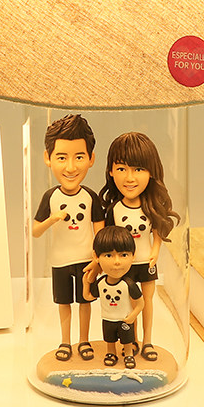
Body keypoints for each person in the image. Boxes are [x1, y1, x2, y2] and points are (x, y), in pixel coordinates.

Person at [97, 132, 179, 361]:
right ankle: (129, 341)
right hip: (123, 265)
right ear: (111, 171)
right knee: (126, 302)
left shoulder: (151, 206)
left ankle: (148, 340)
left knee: (148, 301)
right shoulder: (114, 210)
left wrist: (155, 250)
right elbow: (108, 240)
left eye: (139, 169)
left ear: (151, 172)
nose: (130, 178)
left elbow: (158, 230)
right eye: (122, 169)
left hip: (146, 262)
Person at [33, 114, 104, 362]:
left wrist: (98, 261)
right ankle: (65, 341)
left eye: (79, 157)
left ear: (91, 159)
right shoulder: (50, 197)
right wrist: (52, 219)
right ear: (48, 158)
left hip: (86, 260)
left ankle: (84, 341)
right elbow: (35, 231)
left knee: (85, 301)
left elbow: (100, 233)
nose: (71, 167)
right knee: (64, 303)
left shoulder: (92, 197)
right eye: (62, 157)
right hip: (60, 261)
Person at [83, 226, 144, 369]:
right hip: (107, 318)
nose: (117, 262)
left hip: (124, 319)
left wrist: (132, 316)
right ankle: (111, 353)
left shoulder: (129, 284)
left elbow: (141, 303)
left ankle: (128, 354)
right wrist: (85, 284)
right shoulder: (101, 283)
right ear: (96, 256)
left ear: (133, 255)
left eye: (124, 255)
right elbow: (88, 297)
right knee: (109, 339)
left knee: (127, 340)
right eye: (109, 255)